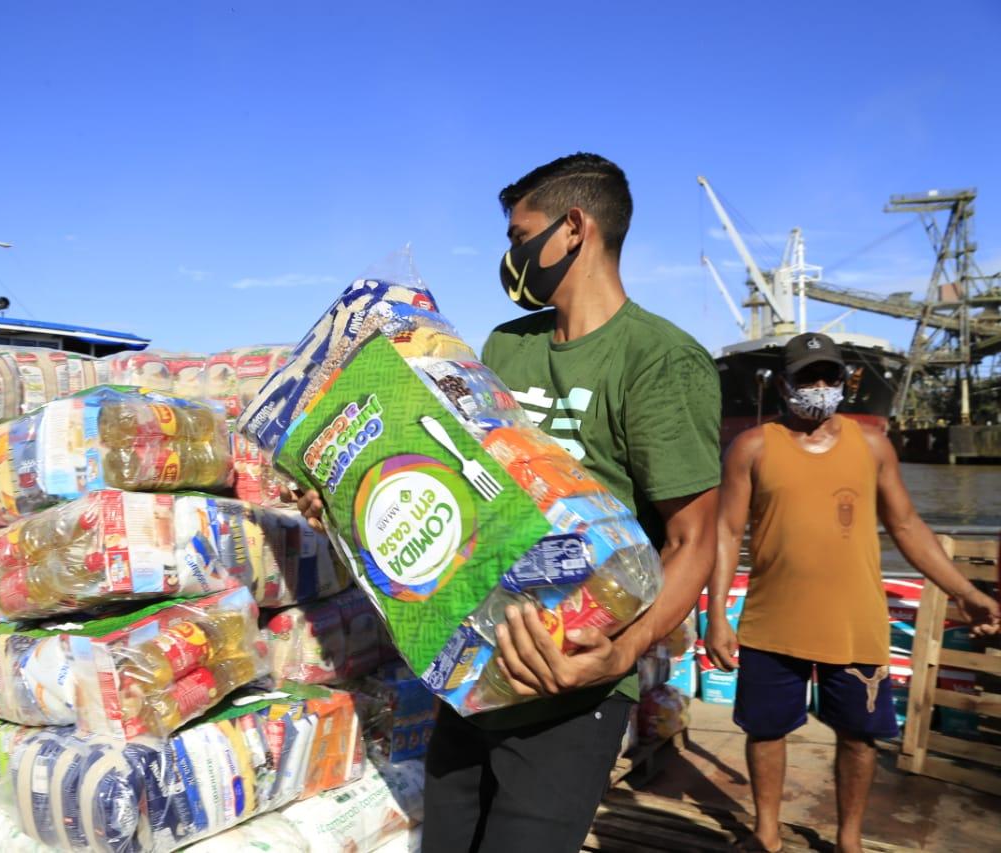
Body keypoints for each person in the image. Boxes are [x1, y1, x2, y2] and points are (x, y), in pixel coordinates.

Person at [296, 153, 721, 850]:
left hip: (571, 687)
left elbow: (694, 539)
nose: (512, 255)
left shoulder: (657, 359)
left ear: (574, 228)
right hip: (475, 674)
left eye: (520, 236)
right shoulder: (505, 344)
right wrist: (346, 501)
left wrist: (624, 656)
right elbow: (456, 479)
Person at [706, 332, 1001, 853]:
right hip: (772, 621)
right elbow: (728, 533)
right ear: (784, 383)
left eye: (829, 377)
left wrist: (963, 590)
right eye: (807, 377)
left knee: (860, 736)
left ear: (845, 382)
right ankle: (767, 834)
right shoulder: (751, 447)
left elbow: (907, 526)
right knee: (766, 731)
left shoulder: (872, 446)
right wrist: (718, 616)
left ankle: (849, 841)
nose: (819, 387)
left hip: (856, 622)